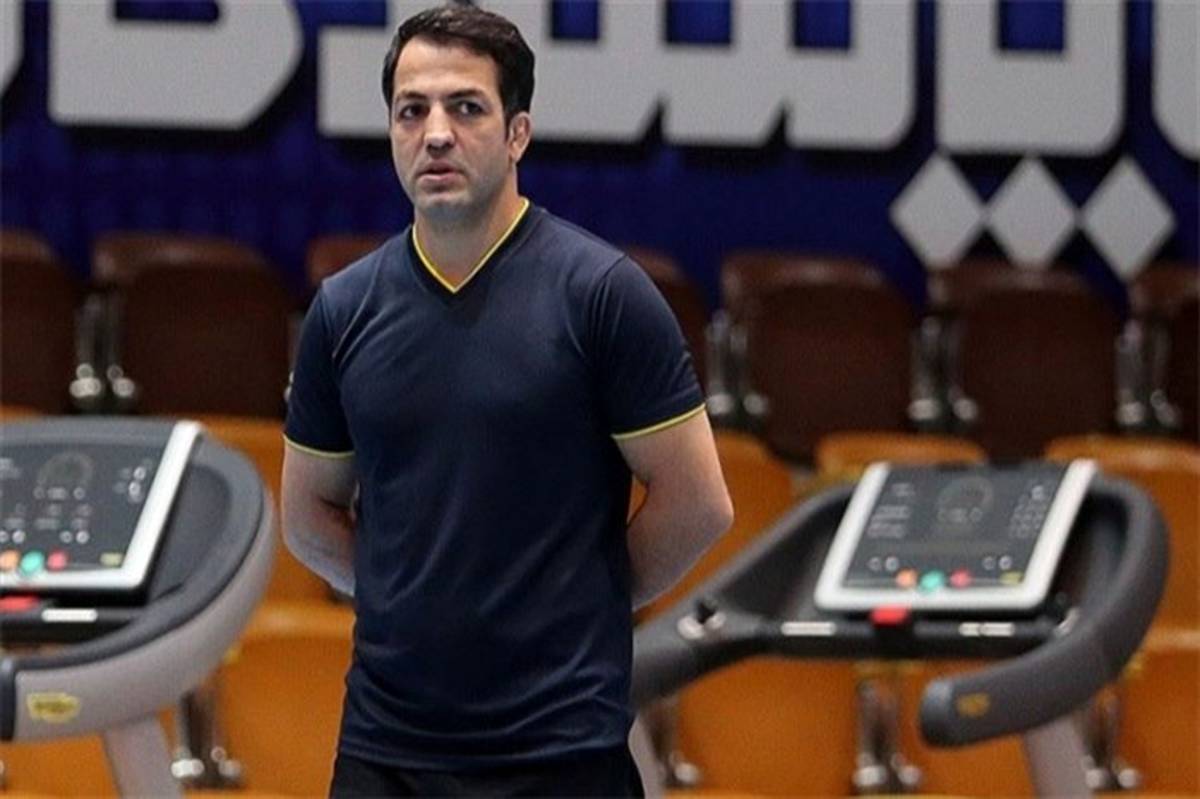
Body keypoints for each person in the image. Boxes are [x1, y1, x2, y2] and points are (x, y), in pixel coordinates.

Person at [281, 3, 733, 796]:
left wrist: (581, 598)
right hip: (387, 753)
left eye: (466, 107)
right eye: (411, 111)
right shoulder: (343, 310)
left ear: (518, 133)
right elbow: (306, 515)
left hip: (563, 751)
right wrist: (407, 595)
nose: (436, 134)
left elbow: (698, 503)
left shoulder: (603, 294)